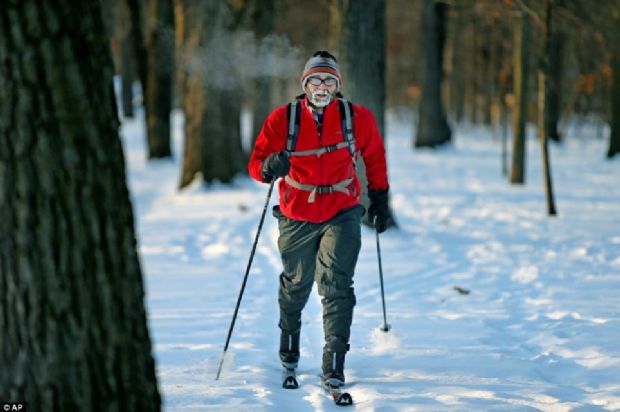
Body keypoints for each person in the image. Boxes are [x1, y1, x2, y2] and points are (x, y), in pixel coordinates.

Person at [248, 50, 392, 387]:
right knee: (297, 283)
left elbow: (375, 157)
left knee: (336, 284)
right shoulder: (283, 119)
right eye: (316, 79)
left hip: (342, 210)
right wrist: (270, 167)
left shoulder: (358, 118)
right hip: (297, 212)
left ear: (338, 85)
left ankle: (334, 359)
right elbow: (256, 165)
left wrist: (380, 197)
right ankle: (289, 343)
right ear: (305, 84)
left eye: (329, 80)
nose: (322, 86)